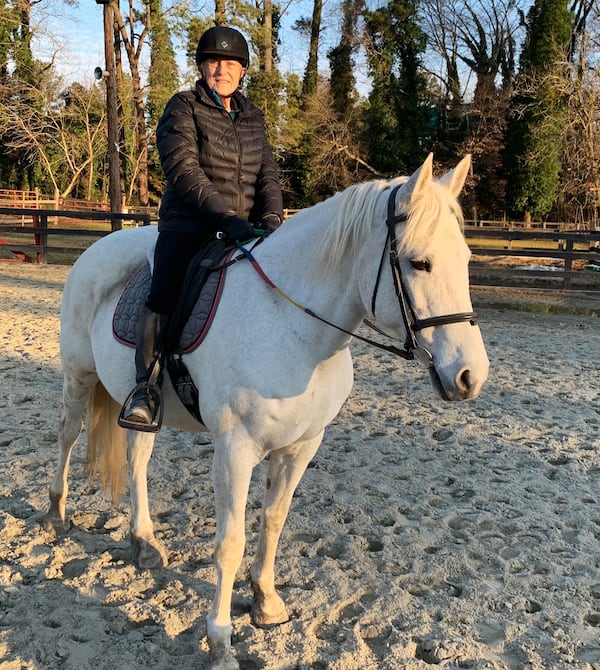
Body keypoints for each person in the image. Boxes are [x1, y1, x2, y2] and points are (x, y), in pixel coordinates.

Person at [120, 25, 283, 429]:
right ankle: (146, 387)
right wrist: (225, 217)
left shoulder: (253, 117)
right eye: (213, 61)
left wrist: (273, 219)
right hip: (189, 226)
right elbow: (185, 171)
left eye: (230, 63)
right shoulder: (182, 107)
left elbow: (268, 174)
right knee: (165, 290)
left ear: (243, 70)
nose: (221, 69)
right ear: (202, 66)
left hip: (243, 229)